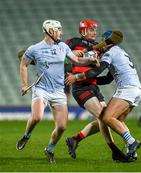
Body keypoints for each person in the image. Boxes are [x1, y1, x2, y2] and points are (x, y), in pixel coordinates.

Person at [16, 19, 98, 163]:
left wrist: (90, 61)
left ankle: (50, 149)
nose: (61, 32)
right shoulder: (34, 49)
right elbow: (23, 64)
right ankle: (26, 135)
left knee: (62, 126)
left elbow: (76, 61)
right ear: (50, 31)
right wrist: (24, 85)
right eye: (58, 29)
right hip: (41, 89)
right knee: (37, 117)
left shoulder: (63, 47)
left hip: (58, 91)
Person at [65, 30, 141, 159]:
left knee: (107, 118)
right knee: (116, 120)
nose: (101, 45)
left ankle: (132, 142)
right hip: (137, 90)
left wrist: (77, 77)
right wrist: (87, 78)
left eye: (103, 41)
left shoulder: (109, 53)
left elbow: (96, 72)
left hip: (127, 89)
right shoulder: (121, 52)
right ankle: (132, 152)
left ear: (107, 42)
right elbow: (107, 79)